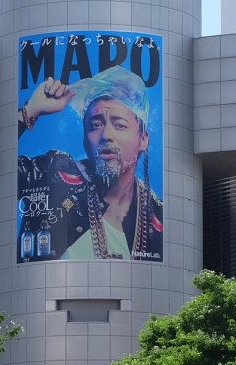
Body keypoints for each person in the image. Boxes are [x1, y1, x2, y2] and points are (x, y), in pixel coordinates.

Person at [17, 65, 163, 261]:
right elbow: (0, 172)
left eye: (120, 125)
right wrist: (30, 110)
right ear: (84, 138)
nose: (106, 136)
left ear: (143, 140)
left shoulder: (157, 215)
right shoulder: (55, 172)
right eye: (96, 125)